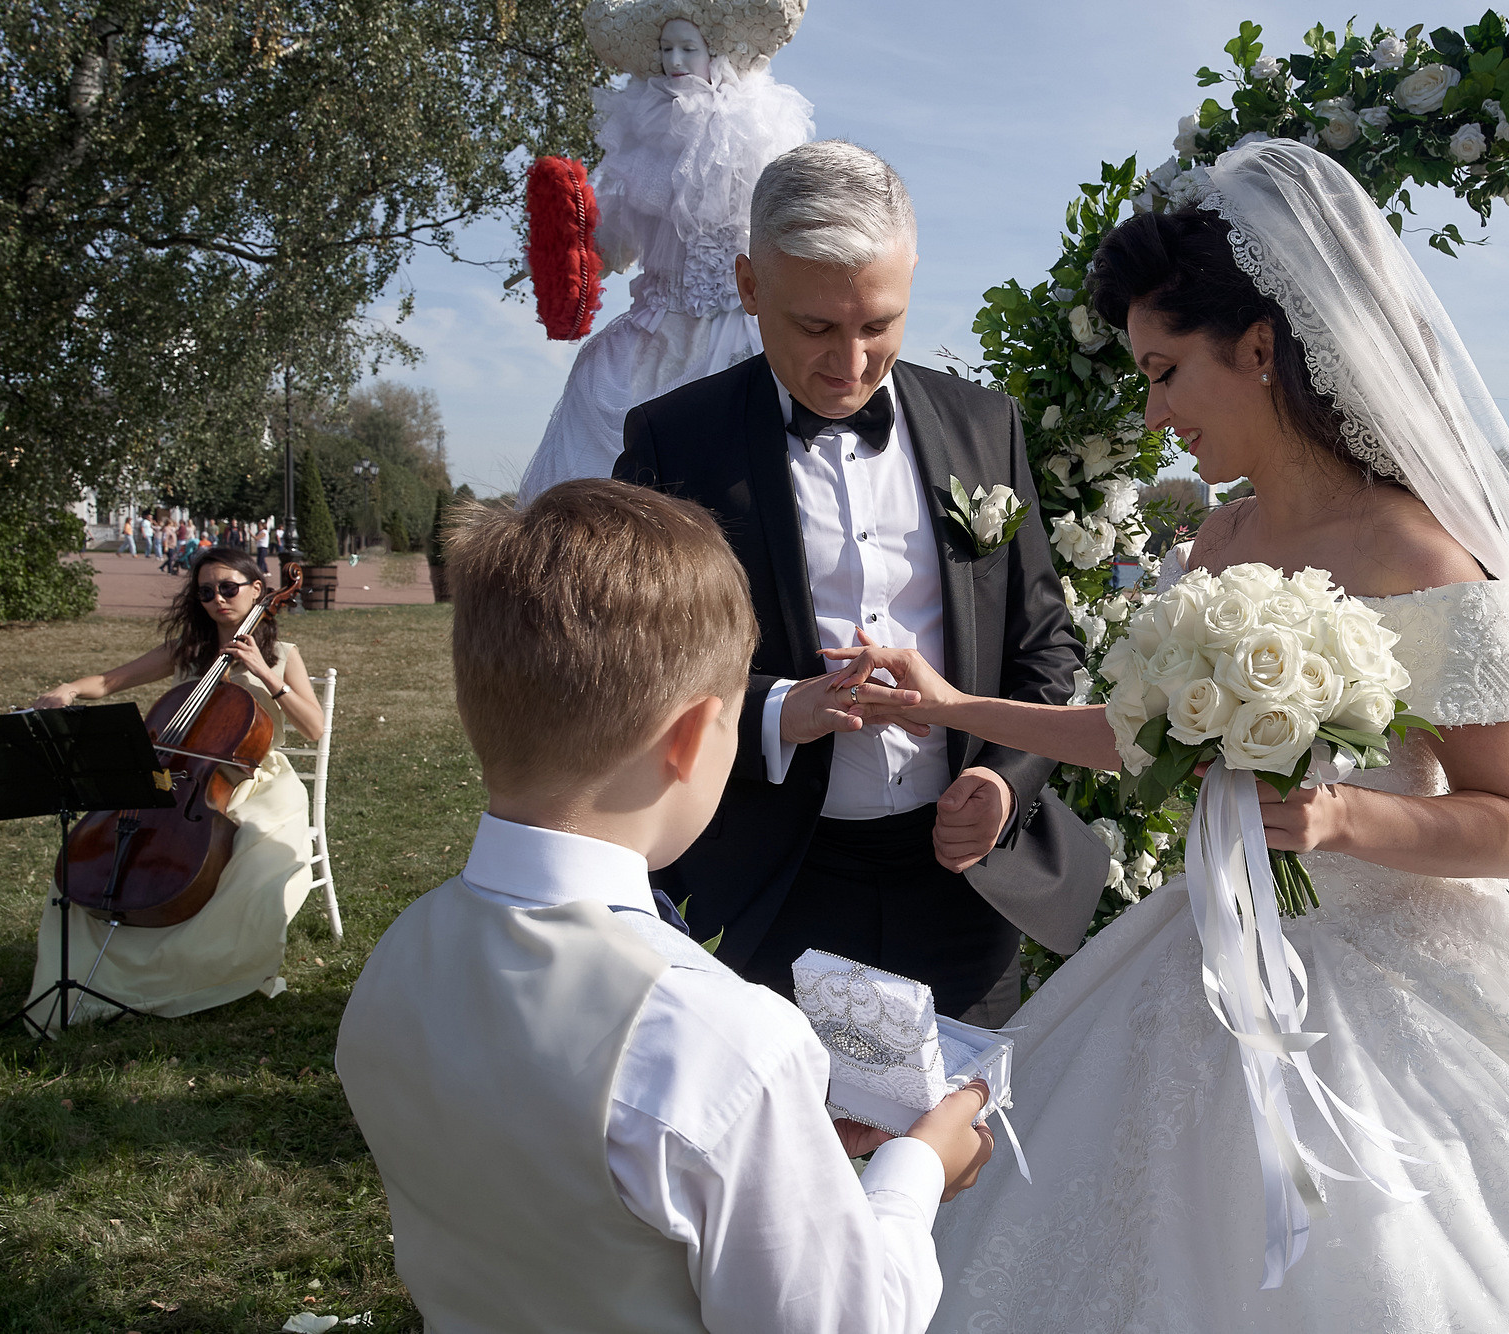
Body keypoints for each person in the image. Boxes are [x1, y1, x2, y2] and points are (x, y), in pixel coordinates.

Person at [830, 141, 1509, 1332]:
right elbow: (1142, 737)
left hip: (1402, 984)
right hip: (1209, 946)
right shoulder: (1216, 542)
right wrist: (948, 705)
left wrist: (1340, 816)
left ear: (1260, 349)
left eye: (1166, 372)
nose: (1155, 413)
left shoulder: (1419, 552)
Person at [334, 479, 992, 1334]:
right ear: (689, 738)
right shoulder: (724, 1044)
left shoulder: (396, 960)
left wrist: (781, 1158)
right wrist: (918, 1168)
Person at [611, 141, 1109, 1026]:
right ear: (750, 286)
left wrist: (1003, 783)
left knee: (969, 1112)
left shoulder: (983, 425)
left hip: (965, 886)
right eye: (816, 328)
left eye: (879, 324)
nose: (850, 361)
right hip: (776, 882)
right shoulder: (673, 443)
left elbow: (1044, 645)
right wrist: (778, 711)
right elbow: (637, 667)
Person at [517, 0, 814, 503]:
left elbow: (778, 230)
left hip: (733, 323)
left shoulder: (752, 132)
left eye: (687, 48)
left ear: (714, 53)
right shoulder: (643, 140)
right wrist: (563, 256)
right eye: (666, 48)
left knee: (736, 438)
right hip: (656, 326)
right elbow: (615, 243)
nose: (674, 60)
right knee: (601, 389)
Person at [27, 548, 322, 1030]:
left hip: (254, 776)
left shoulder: (282, 654)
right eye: (205, 591)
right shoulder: (189, 649)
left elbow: (315, 727)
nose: (217, 599)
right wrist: (70, 688)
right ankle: (91, 974)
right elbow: (111, 680)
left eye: (228, 588)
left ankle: (205, 971)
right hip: (179, 774)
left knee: (255, 844)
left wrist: (265, 673)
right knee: (100, 844)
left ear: (256, 590)